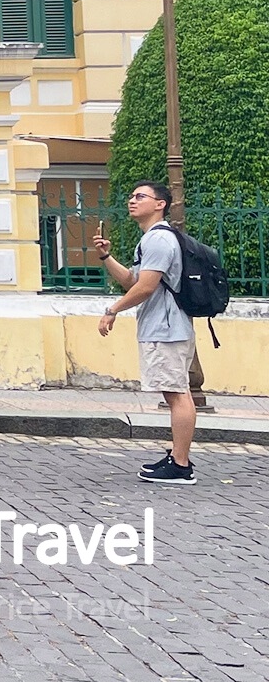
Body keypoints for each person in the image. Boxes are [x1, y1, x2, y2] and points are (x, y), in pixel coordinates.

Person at [96, 182, 198, 484]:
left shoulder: (159, 240)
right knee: (177, 392)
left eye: (140, 196)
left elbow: (146, 287)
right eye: (132, 195)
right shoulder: (153, 240)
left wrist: (112, 310)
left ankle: (180, 465)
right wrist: (106, 257)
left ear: (160, 204)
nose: (132, 200)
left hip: (167, 328)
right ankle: (178, 458)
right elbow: (133, 280)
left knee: (177, 394)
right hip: (166, 325)